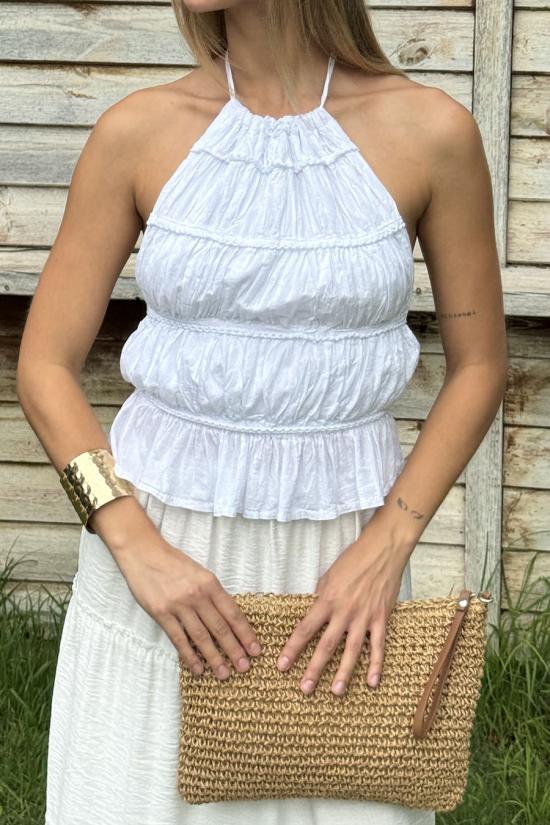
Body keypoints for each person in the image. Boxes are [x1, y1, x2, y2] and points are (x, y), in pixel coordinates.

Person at [17, 1, 507, 823]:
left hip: (343, 567)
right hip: (156, 559)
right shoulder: (136, 132)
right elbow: (43, 365)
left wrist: (387, 545)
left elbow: (482, 365)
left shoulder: (431, 132)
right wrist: (131, 542)